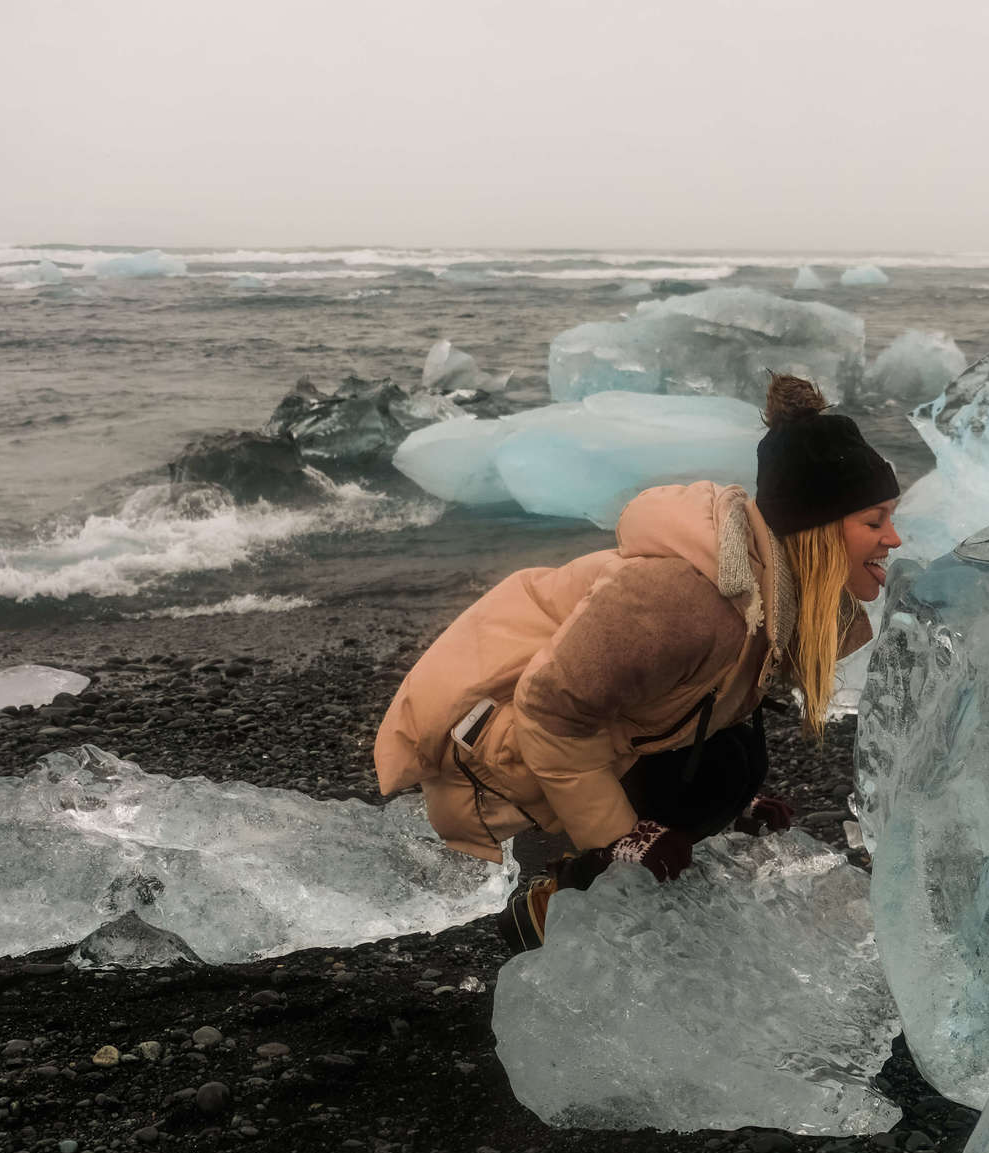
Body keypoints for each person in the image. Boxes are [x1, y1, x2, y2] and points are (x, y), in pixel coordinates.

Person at [373, 374, 901, 951]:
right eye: (874, 522)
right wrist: (623, 836)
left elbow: (699, 702)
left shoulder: (765, 595)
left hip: (560, 729)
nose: (893, 539)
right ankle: (560, 902)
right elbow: (547, 710)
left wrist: (735, 808)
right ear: (814, 532)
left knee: (735, 761)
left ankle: (619, 863)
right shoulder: (688, 597)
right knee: (715, 774)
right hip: (486, 744)